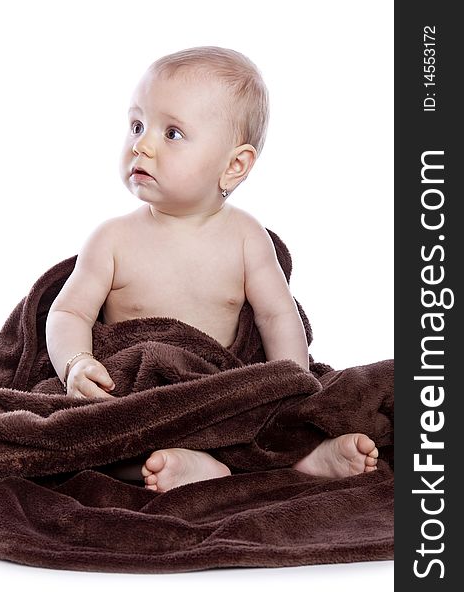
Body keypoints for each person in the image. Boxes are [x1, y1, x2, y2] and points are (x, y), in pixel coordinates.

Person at [45, 46, 378, 492]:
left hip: (223, 397)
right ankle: (189, 464)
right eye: (137, 125)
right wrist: (77, 364)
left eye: (173, 133)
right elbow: (68, 313)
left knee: (345, 394)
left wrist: (290, 391)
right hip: (142, 397)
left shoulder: (246, 238)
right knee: (83, 439)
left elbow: (278, 316)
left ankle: (299, 454)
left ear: (234, 166)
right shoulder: (112, 239)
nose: (141, 144)